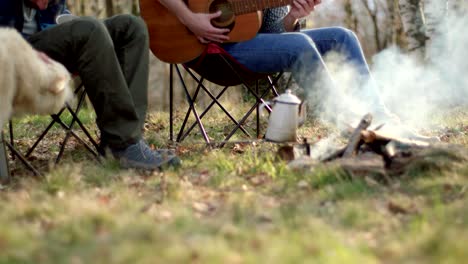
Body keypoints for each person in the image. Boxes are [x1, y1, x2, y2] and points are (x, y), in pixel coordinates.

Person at [0, 0, 181, 170]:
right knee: (90, 29)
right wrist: (24, 50)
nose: (43, 5)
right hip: (15, 55)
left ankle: (128, 139)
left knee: (131, 27)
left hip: (49, 44)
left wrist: (68, 22)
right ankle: (123, 145)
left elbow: (57, 18)